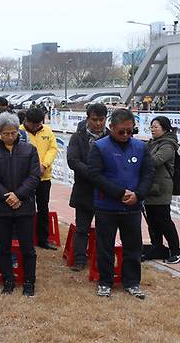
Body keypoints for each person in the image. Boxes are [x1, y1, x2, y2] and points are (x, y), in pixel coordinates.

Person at [88, 109, 155, 299]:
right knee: (105, 247)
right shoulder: (100, 147)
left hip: (132, 207)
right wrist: (118, 193)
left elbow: (148, 173)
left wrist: (139, 194)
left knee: (133, 247)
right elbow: (95, 175)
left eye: (130, 131)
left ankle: (132, 282)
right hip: (106, 206)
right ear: (111, 128)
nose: (126, 135)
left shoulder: (141, 147)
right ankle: (105, 282)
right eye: (121, 132)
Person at [0, 112, 40, 297]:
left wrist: (19, 195)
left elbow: (33, 177)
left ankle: (29, 281)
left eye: (13, 133)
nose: (10, 137)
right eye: (6, 133)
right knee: (4, 246)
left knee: (27, 248)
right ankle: (8, 279)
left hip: (25, 205)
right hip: (2, 205)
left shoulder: (29, 150)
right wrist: (7, 196)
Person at [67, 104, 109, 271]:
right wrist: (93, 174)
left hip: (106, 191)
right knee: (82, 227)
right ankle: (79, 260)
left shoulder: (111, 136)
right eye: (94, 120)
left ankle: (101, 258)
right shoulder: (78, 137)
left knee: (104, 228)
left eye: (101, 120)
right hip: (84, 189)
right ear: (87, 118)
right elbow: (73, 161)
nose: (98, 123)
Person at [144, 116, 180, 264]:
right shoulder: (151, 143)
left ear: (165, 128)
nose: (153, 129)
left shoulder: (168, 144)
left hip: (161, 189)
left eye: (156, 127)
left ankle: (176, 250)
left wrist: (139, 159)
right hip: (150, 188)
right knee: (152, 221)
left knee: (164, 220)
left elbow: (156, 160)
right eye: (152, 127)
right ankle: (157, 248)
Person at [22, 108, 59, 250]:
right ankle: (28, 238)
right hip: (26, 178)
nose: (36, 127)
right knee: (27, 209)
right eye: (33, 124)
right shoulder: (20, 132)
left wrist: (44, 165)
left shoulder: (47, 131)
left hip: (44, 177)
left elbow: (53, 149)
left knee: (43, 208)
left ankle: (43, 239)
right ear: (26, 121)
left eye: (39, 124)